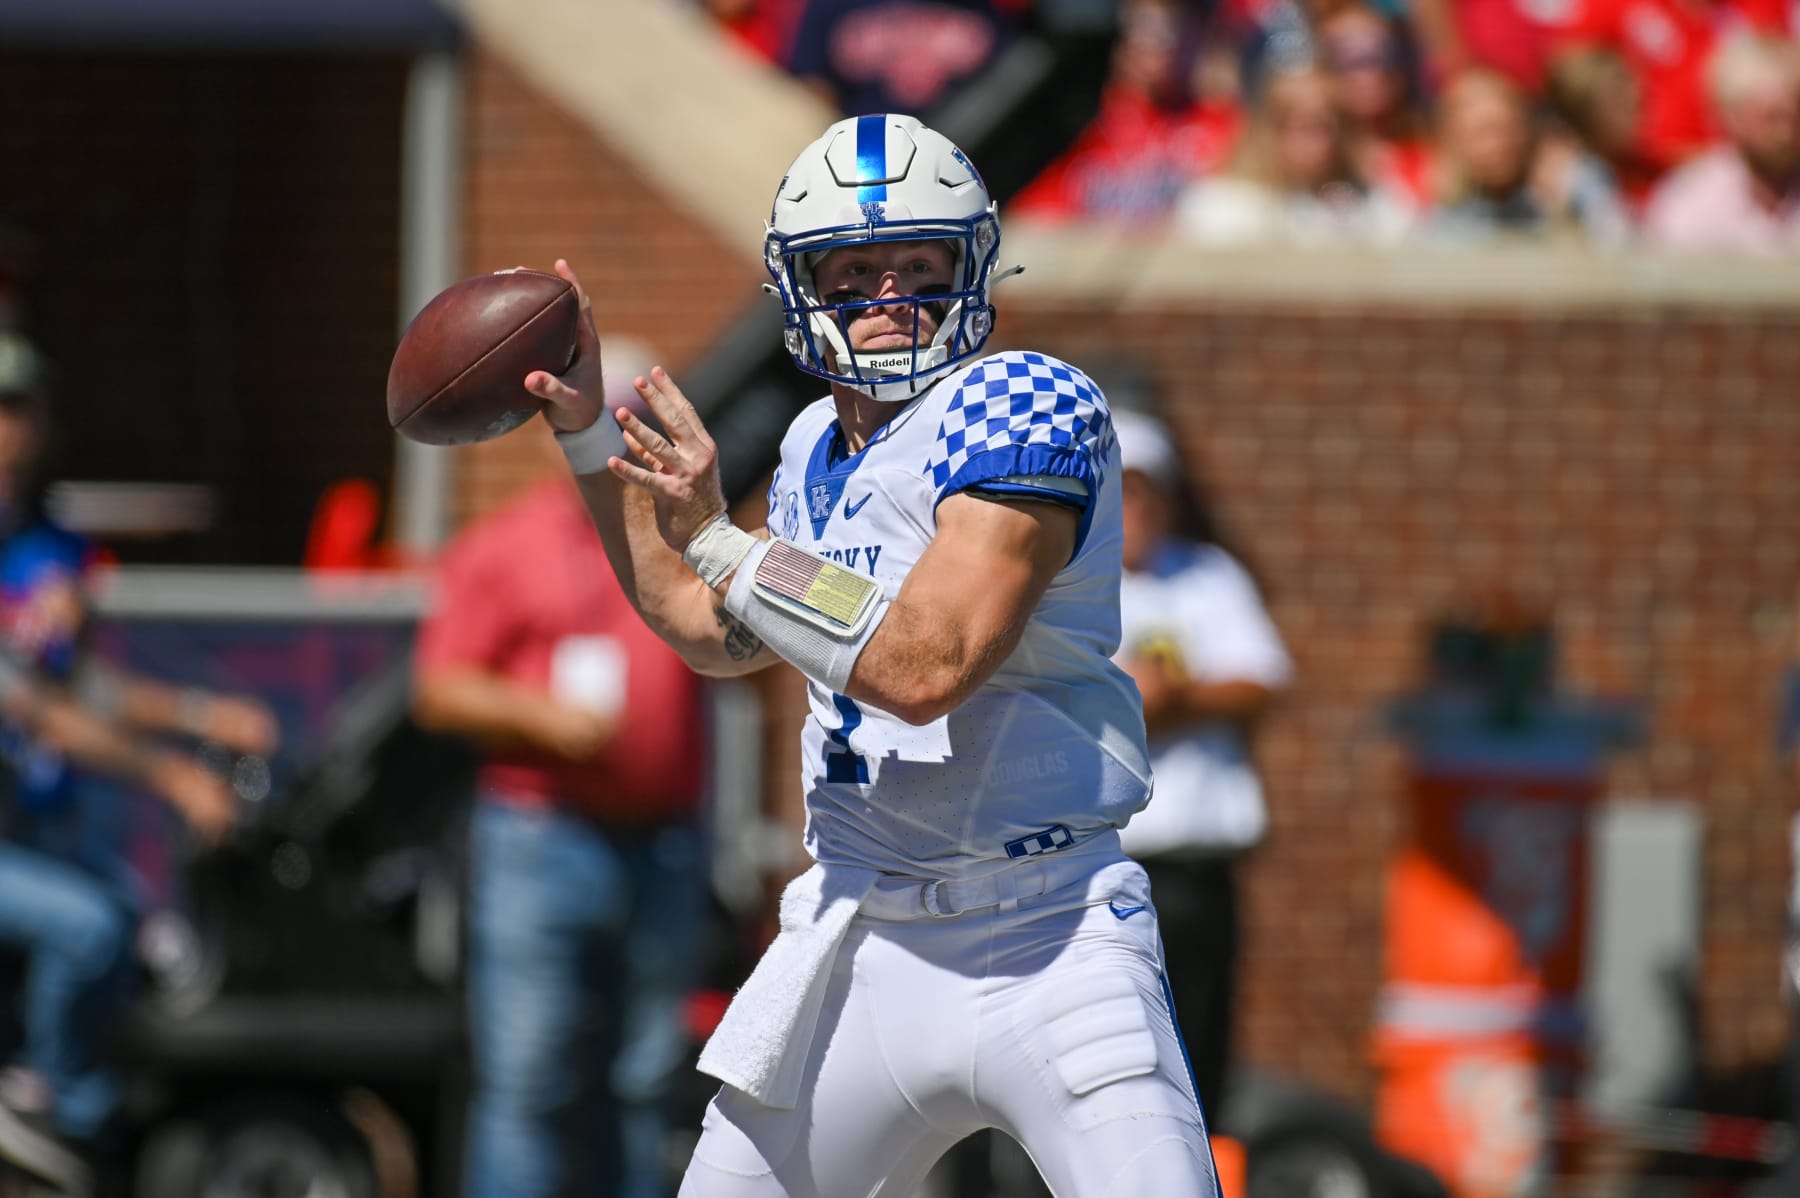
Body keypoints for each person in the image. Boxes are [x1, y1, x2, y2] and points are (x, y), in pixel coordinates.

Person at [527, 112, 1217, 1196]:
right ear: (804, 288)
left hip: (1051, 931)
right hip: (864, 936)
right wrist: (584, 437)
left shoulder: (1026, 401)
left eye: (919, 265)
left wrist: (723, 539)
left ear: (970, 266)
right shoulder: (813, 445)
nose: (890, 296)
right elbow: (712, 627)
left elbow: (925, 661)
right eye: (857, 272)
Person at [411, 348, 711, 1198]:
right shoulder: (505, 545)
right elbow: (439, 688)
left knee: (649, 1078)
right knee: (528, 1082)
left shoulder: (685, 539)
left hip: (664, 841)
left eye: (630, 424)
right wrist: (540, 718)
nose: (618, 442)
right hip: (540, 837)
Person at [0, 337, 271, 1196]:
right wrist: (173, 777)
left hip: (23, 826)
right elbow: (33, 710)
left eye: (18, 406)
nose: (6, 427)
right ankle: (43, 1105)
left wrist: (201, 717)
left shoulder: (46, 544)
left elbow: (80, 687)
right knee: (88, 927)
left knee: (132, 919)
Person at [1109, 406, 1291, 1123]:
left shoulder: (1209, 577)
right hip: (1104, 864)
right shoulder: (1065, 585)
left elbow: (1261, 681)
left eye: (1148, 490)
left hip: (1193, 869)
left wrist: (1176, 696)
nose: (1137, 508)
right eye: (1121, 489)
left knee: (1196, 1061)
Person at [1642, 33, 1800, 254]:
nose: (1786, 132)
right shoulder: (1690, 202)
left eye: (1795, 116)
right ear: (1731, 117)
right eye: (1771, 118)